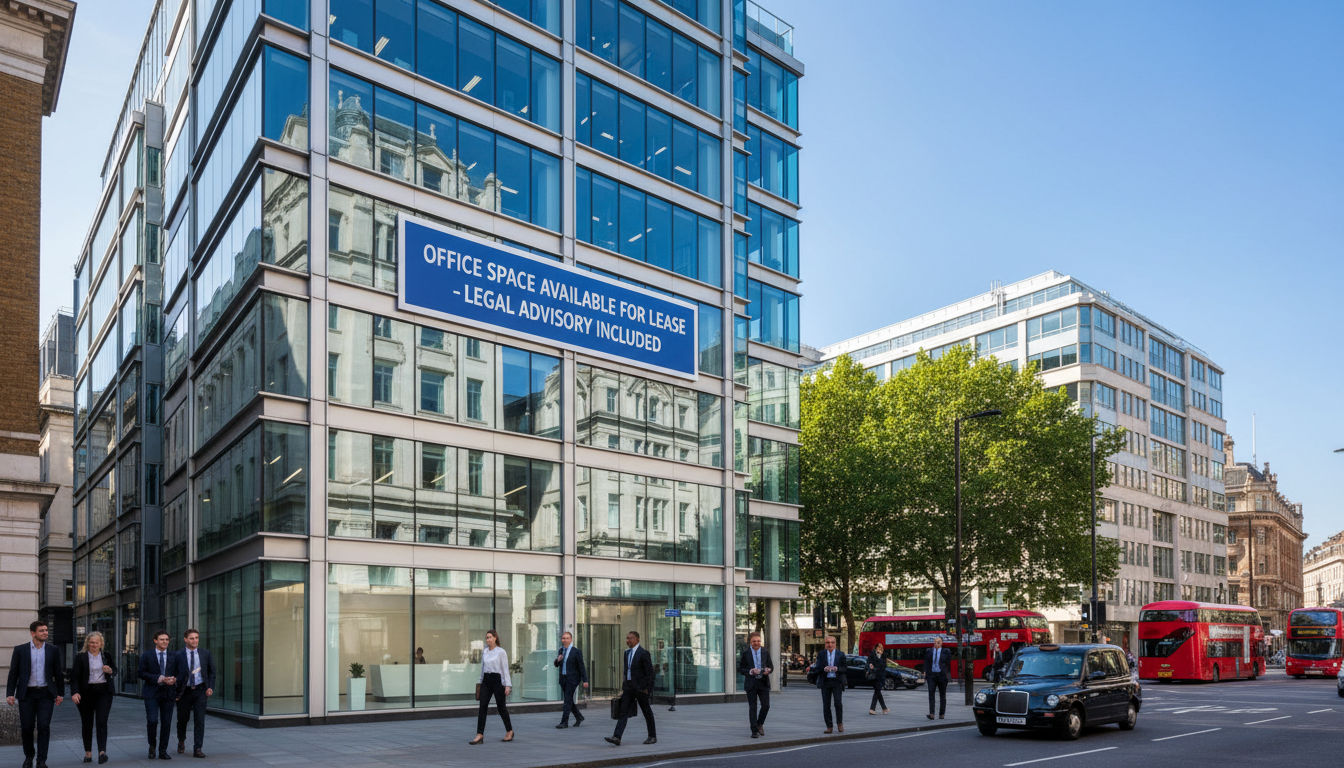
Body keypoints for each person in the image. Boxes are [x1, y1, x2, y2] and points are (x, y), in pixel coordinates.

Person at [6, 620, 64, 768]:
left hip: (46, 694)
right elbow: (13, 673)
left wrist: (60, 693)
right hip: (27, 695)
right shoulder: (20, 650)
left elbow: (58, 674)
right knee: (27, 727)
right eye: (41, 630)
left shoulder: (53, 650)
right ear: (33, 633)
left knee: (44, 726)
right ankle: (29, 756)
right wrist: (10, 693)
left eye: (46, 630)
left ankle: (41, 760)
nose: (45, 632)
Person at [604, 631, 655, 747]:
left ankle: (652, 736)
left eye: (630, 638)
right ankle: (617, 737)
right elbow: (627, 671)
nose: (628, 640)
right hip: (629, 688)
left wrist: (647, 689)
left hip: (640, 688)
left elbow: (650, 674)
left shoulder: (644, 653)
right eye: (627, 638)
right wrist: (624, 686)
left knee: (646, 711)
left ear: (637, 639)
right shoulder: (626, 653)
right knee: (623, 711)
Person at [72, 631, 116, 764]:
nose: (94, 645)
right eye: (91, 642)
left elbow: (115, 670)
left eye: (96, 642)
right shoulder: (81, 657)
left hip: (104, 692)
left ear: (101, 643)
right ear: (87, 643)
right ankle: (88, 753)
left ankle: (102, 752)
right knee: (87, 723)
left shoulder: (106, 655)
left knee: (102, 721)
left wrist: (110, 671)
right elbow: (74, 677)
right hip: (86, 693)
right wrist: (75, 692)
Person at [174, 628, 216, 758]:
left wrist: (210, 687)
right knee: (183, 719)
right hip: (184, 692)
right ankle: (181, 739)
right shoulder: (178, 655)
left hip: (200, 691)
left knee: (199, 720)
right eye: (192, 638)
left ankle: (198, 748)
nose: (195, 640)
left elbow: (212, 672)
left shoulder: (205, 653)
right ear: (185, 639)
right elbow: (173, 672)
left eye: (197, 638)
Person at [137, 630, 176, 759]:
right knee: (152, 720)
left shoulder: (174, 655)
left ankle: (163, 750)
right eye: (161, 639)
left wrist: (175, 679)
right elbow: (141, 673)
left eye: (166, 640)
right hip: (152, 693)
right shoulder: (147, 655)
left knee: (166, 723)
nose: (165, 642)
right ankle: (152, 745)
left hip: (168, 694)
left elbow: (182, 673)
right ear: (155, 641)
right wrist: (159, 678)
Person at [470, 629, 513, 744]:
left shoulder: (501, 652)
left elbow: (505, 669)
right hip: (486, 681)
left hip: (497, 680)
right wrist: (480, 681)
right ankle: (479, 734)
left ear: (495, 638)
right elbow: (483, 668)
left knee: (501, 707)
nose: (488, 639)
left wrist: (507, 685)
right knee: (482, 707)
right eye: (486, 638)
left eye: (490, 637)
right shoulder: (485, 652)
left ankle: (509, 731)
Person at [737, 631, 773, 738]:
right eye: (754, 641)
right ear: (750, 642)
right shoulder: (745, 653)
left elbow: (771, 666)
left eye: (758, 641)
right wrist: (749, 671)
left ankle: (759, 724)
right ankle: (754, 731)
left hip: (763, 682)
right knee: (752, 707)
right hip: (751, 683)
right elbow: (740, 668)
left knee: (766, 705)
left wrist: (768, 670)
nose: (756, 643)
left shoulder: (765, 652)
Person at [808, 635, 845, 734]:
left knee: (838, 703)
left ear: (835, 644)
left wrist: (837, 669)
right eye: (828, 643)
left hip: (837, 681)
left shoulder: (840, 654)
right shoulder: (821, 654)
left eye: (832, 642)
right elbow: (817, 667)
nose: (830, 645)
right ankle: (829, 726)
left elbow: (845, 668)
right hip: (825, 681)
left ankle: (840, 723)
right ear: (825, 644)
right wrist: (824, 669)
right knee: (826, 705)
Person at [554, 631, 587, 728]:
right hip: (563, 679)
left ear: (571, 639)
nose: (565, 640)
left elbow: (582, 667)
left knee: (567, 700)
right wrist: (558, 660)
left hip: (573, 679)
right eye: (564, 638)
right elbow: (556, 665)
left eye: (567, 638)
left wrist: (585, 680)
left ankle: (564, 722)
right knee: (569, 700)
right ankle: (579, 716)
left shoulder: (576, 652)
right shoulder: (561, 650)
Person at [924, 636, 952, 720]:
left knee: (942, 695)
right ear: (933, 642)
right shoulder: (929, 651)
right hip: (932, 675)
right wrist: (925, 672)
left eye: (939, 641)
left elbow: (948, 663)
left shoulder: (946, 651)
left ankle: (941, 713)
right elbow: (926, 662)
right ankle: (931, 713)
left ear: (942, 642)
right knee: (931, 694)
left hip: (942, 675)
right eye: (936, 641)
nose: (938, 643)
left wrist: (947, 675)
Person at [867, 642, 889, 715]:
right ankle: (872, 709)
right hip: (874, 677)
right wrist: (871, 666)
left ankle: (884, 708)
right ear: (876, 648)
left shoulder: (883, 656)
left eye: (881, 648)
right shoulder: (872, 655)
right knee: (877, 692)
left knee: (878, 692)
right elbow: (868, 663)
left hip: (881, 677)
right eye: (879, 647)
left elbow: (884, 666)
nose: (880, 649)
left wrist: (881, 656)